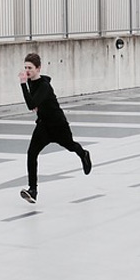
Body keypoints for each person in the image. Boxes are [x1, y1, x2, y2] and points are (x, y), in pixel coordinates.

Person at [18, 52, 92, 203]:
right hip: (43, 126)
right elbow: (34, 103)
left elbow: (31, 104)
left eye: (30, 68)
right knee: (31, 154)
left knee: (71, 146)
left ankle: (84, 154)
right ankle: (33, 190)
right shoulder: (32, 82)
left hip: (58, 125)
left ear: (38, 68)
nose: (27, 71)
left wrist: (22, 84)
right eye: (25, 67)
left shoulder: (44, 86)